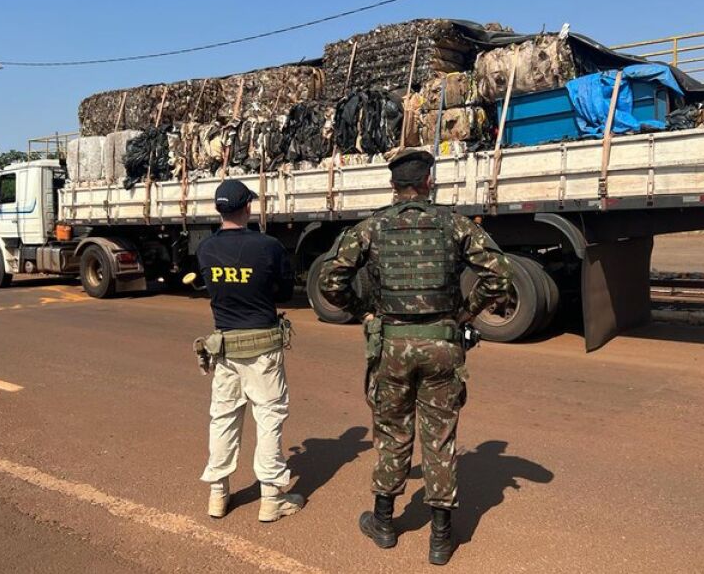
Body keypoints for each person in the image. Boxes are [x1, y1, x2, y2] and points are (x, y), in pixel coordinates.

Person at [317, 148, 511, 565]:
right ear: (428, 183)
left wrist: (361, 311)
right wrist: (465, 312)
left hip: (391, 346)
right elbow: (500, 275)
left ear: (393, 186)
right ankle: (441, 538)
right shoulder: (456, 225)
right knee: (440, 440)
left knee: (392, 434)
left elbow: (330, 278)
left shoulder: (371, 228)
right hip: (443, 344)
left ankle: (384, 523)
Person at [196, 179, 304, 522]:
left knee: (224, 419)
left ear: (219, 209)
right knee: (269, 418)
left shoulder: (206, 250)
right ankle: (271, 499)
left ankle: (218, 495)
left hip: (225, 349)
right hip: (263, 350)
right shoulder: (269, 246)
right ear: (248, 208)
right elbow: (285, 292)